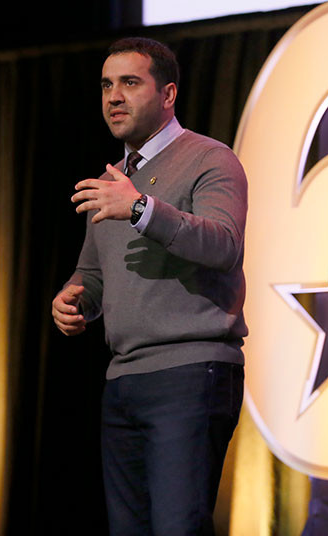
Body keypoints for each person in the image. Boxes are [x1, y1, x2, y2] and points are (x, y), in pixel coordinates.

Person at [51, 37, 248, 535]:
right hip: (122, 381)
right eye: (106, 85)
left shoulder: (210, 159)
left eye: (130, 83)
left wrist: (141, 209)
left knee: (177, 527)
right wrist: (76, 298)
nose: (113, 96)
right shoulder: (114, 180)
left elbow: (224, 244)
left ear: (168, 94)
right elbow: (92, 273)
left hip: (189, 374)